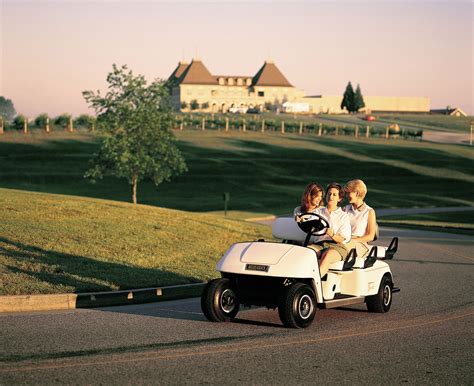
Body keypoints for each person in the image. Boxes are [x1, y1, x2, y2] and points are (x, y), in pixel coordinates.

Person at [317, 183, 352, 278]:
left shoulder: (343, 216)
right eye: (329, 194)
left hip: (337, 246)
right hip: (319, 244)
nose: (331, 196)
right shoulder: (318, 212)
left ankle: (314, 282)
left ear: (340, 198)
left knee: (327, 255)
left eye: (334, 194)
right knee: (308, 252)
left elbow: (343, 239)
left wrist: (332, 234)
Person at [343, 179, 377, 258]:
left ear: (357, 193)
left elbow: (370, 236)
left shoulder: (369, 211)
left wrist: (352, 241)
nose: (346, 195)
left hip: (360, 245)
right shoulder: (345, 209)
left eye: (348, 193)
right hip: (344, 242)